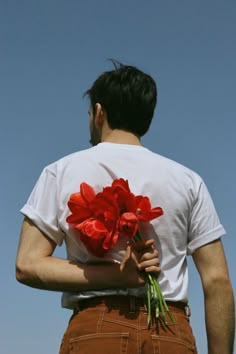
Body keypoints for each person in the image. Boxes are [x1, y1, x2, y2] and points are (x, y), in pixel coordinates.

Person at [16, 60, 235, 354]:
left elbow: (27, 265)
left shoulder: (61, 171)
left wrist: (116, 277)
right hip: (170, 329)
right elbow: (217, 280)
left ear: (98, 113)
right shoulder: (188, 180)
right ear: (146, 118)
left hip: (97, 329)